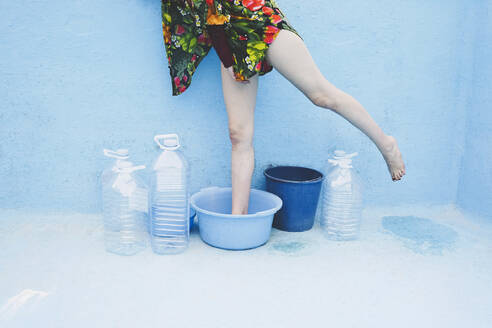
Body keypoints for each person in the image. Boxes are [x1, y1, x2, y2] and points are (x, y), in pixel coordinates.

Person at [162, 0, 406, 215]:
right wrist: (228, 60)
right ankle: (239, 217)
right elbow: (207, 11)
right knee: (238, 134)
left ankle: (386, 144)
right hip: (230, 43)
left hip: (260, 20)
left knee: (321, 95)